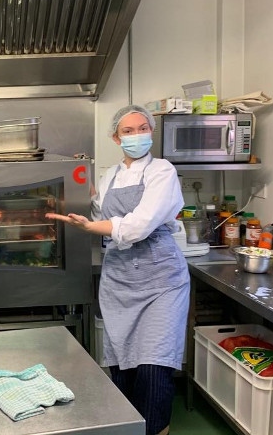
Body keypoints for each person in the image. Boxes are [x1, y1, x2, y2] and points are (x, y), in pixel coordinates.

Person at [46, 105, 189, 435]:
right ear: (115, 137)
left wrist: (92, 227)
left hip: (160, 280)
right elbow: (101, 214)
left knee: (155, 367)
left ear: (151, 132)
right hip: (120, 280)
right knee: (124, 368)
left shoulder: (162, 172)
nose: (137, 135)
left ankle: (153, 430)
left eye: (142, 128)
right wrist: (84, 203)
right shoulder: (109, 176)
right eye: (128, 131)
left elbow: (139, 225)